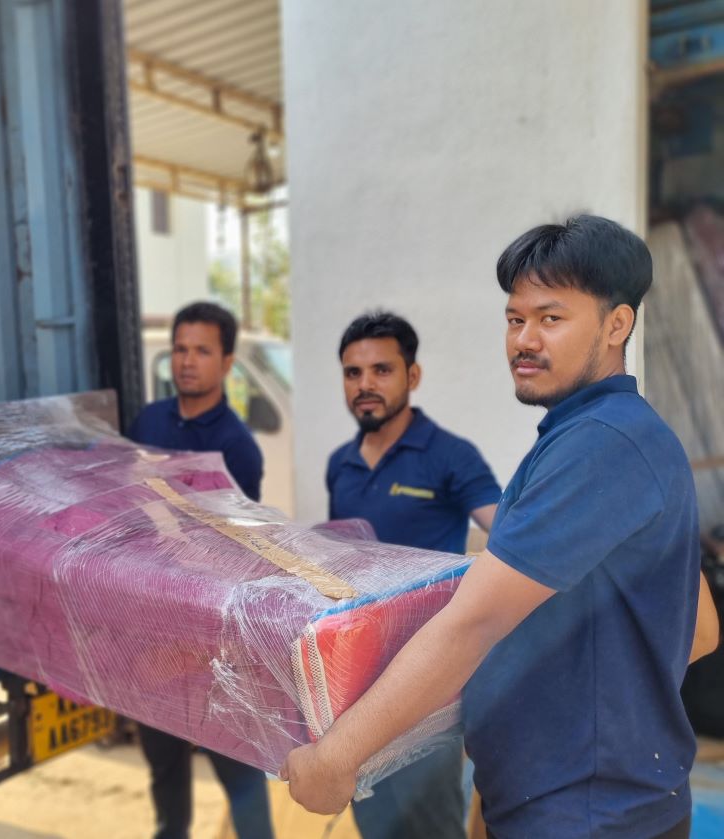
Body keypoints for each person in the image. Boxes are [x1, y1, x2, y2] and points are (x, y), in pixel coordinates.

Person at [281, 215, 721, 839]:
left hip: (586, 816)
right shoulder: (610, 435)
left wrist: (334, 757)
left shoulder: (600, 443)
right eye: (515, 320)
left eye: (551, 318)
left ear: (617, 323)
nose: (524, 340)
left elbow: (475, 621)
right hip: (577, 800)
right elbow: (698, 628)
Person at [327, 311, 501, 839]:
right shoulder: (340, 462)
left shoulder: (450, 456)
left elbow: (512, 537)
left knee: (431, 827)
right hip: (355, 684)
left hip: (430, 682)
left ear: (412, 376)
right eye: (353, 374)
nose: (365, 386)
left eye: (381, 370)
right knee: (374, 821)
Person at [128, 301, 273, 839]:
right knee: (164, 765)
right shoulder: (147, 422)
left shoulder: (236, 446)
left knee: (238, 764)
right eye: (181, 350)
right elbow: (127, 511)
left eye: (202, 351)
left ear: (228, 362)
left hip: (210, 633)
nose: (188, 362)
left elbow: (233, 549)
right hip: (149, 623)